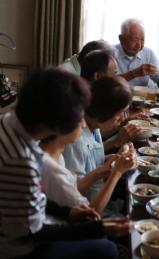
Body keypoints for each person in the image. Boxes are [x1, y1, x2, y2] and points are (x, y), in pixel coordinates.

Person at [0, 68, 131, 258]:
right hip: (18, 248)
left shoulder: (8, 122)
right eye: (80, 118)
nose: (84, 123)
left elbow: (26, 197)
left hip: (23, 221)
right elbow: (33, 232)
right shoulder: (21, 162)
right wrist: (97, 228)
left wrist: (67, 212)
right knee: (107, 248)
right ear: (58, 125)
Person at [62, 76, 136, 204]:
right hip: (88, 209)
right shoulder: (75, 139)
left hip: (100, 194)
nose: (123, 118)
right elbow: (72, 193)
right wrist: (116, 171)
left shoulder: (94, 127)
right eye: (121, 112)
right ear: (105, 110)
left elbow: (92, 163)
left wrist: (115, 160)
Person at [40, 120, 135, 214]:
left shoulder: (57, 156)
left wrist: (104, 168)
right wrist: (117, 172)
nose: (84, 124)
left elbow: (70, 188)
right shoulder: (52, 170)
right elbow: (92, 212)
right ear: (62, 127)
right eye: (79, 119)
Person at [113, 18, 159, 89]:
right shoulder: (110, 54)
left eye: (142, 40)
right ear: (121, 39)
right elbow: (105, 84)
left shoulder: (148, 53)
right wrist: (134, 73)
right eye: (134, 40)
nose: (139, 45)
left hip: (144, 98)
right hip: (118, 98)